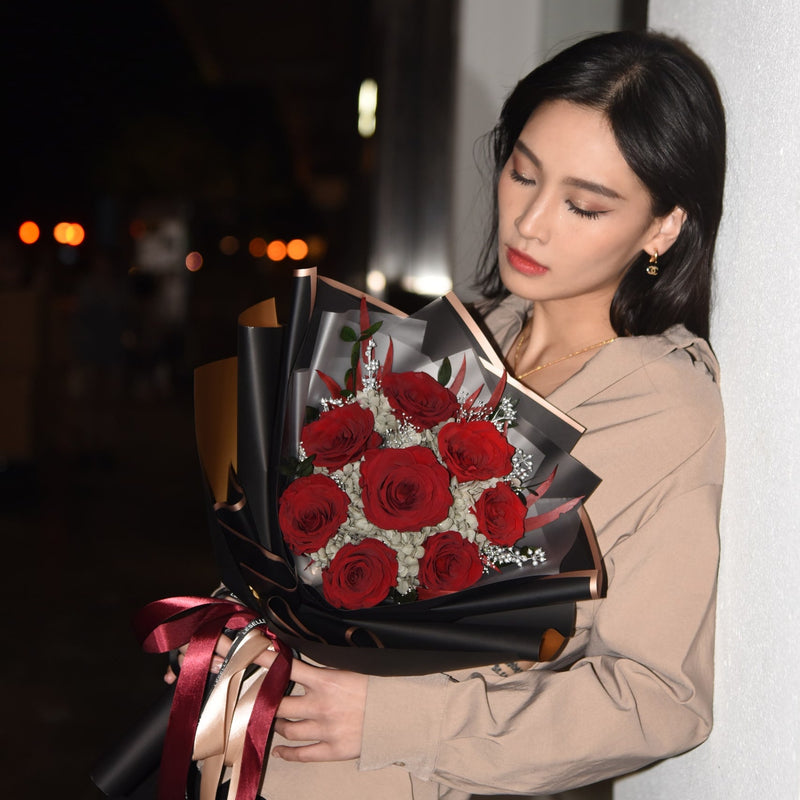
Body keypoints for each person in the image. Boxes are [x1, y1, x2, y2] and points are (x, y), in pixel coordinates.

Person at [170, 29, 726, 799]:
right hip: (263, 755)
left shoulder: (661, 410)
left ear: (664, 226)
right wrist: (252, 615)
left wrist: (401, 718)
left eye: (583, 206)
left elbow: (660, 699)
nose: (530, 223)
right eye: (522, 174)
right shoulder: (462, 335)